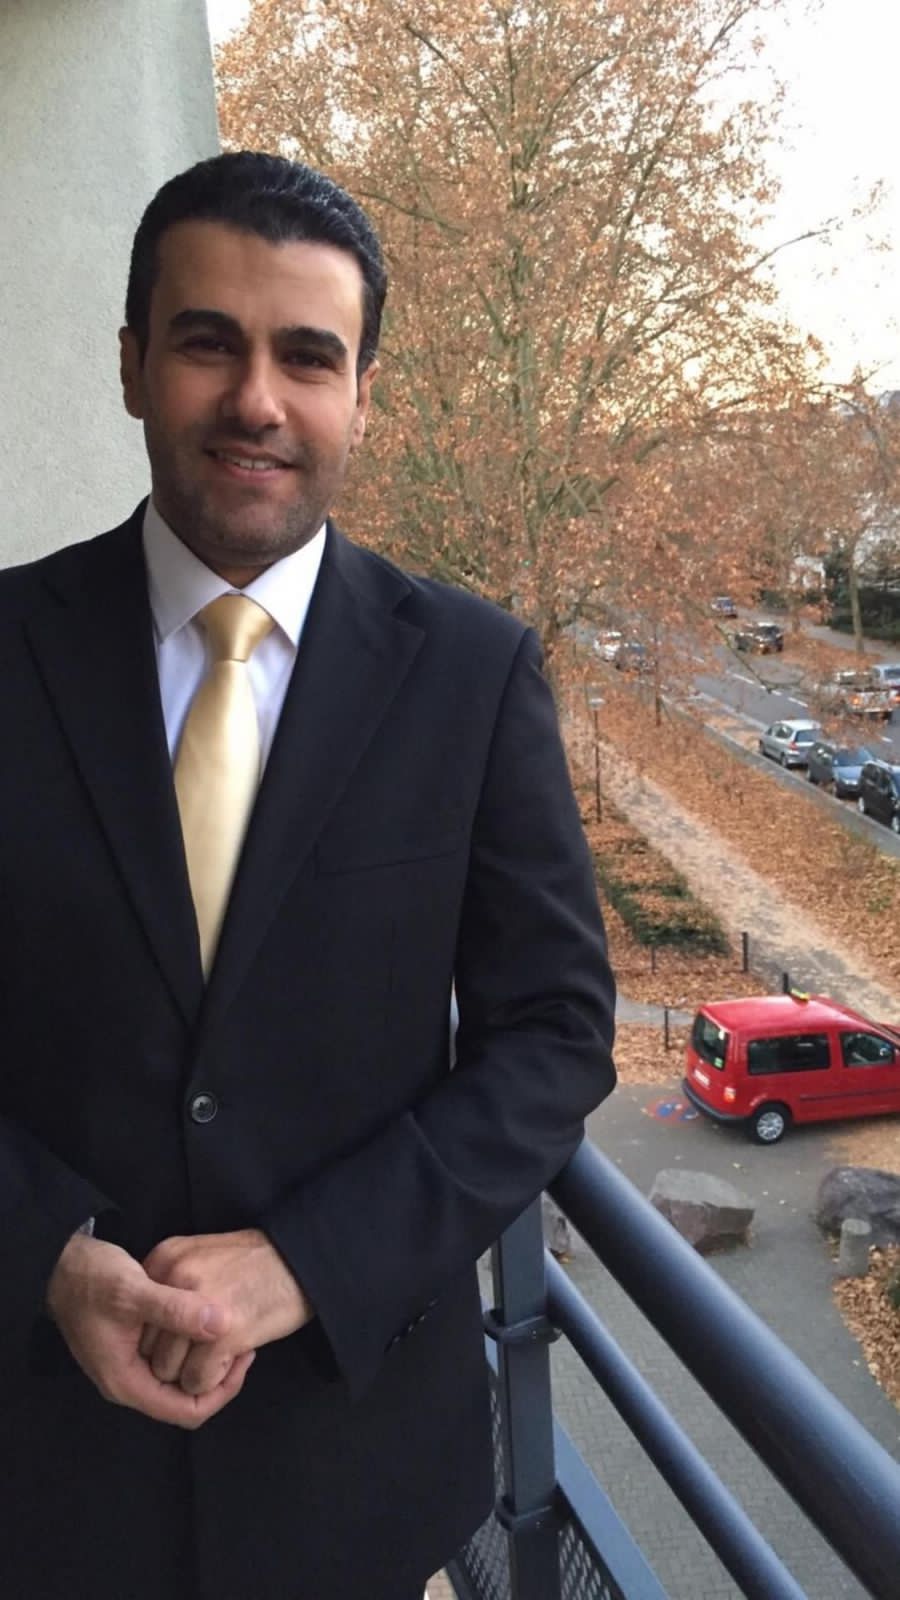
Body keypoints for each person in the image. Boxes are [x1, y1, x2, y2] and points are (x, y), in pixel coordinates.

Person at [0, 151, 616, 1600]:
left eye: (308, 356)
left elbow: (552, 1036)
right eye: (208, 342)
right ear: (132, 365)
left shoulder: (473, 676)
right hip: (37, 1466)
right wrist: (45, 1254)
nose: (258, 400)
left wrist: (305, 1260)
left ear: (362, 395)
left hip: (356, 1478)